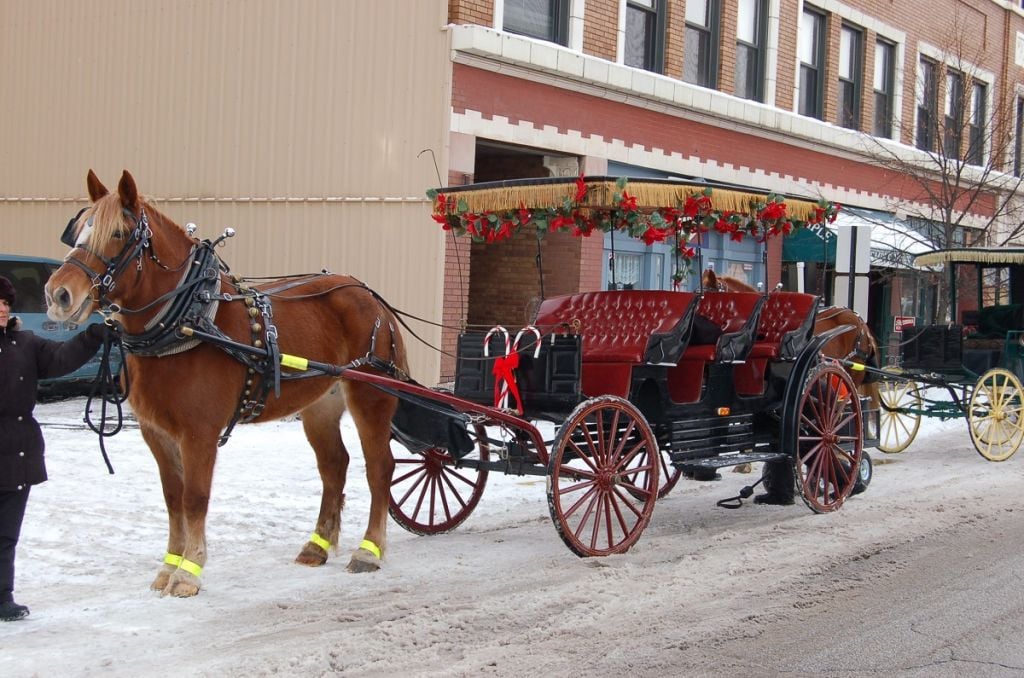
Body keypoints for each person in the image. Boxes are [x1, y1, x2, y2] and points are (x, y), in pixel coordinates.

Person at [0, 275, 111, 621]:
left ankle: (3, 597)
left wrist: (94, 335)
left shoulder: (25, 343)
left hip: (17, 449)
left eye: (5, 302)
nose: (2, 309)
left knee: (6, 534)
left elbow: (61, 358)